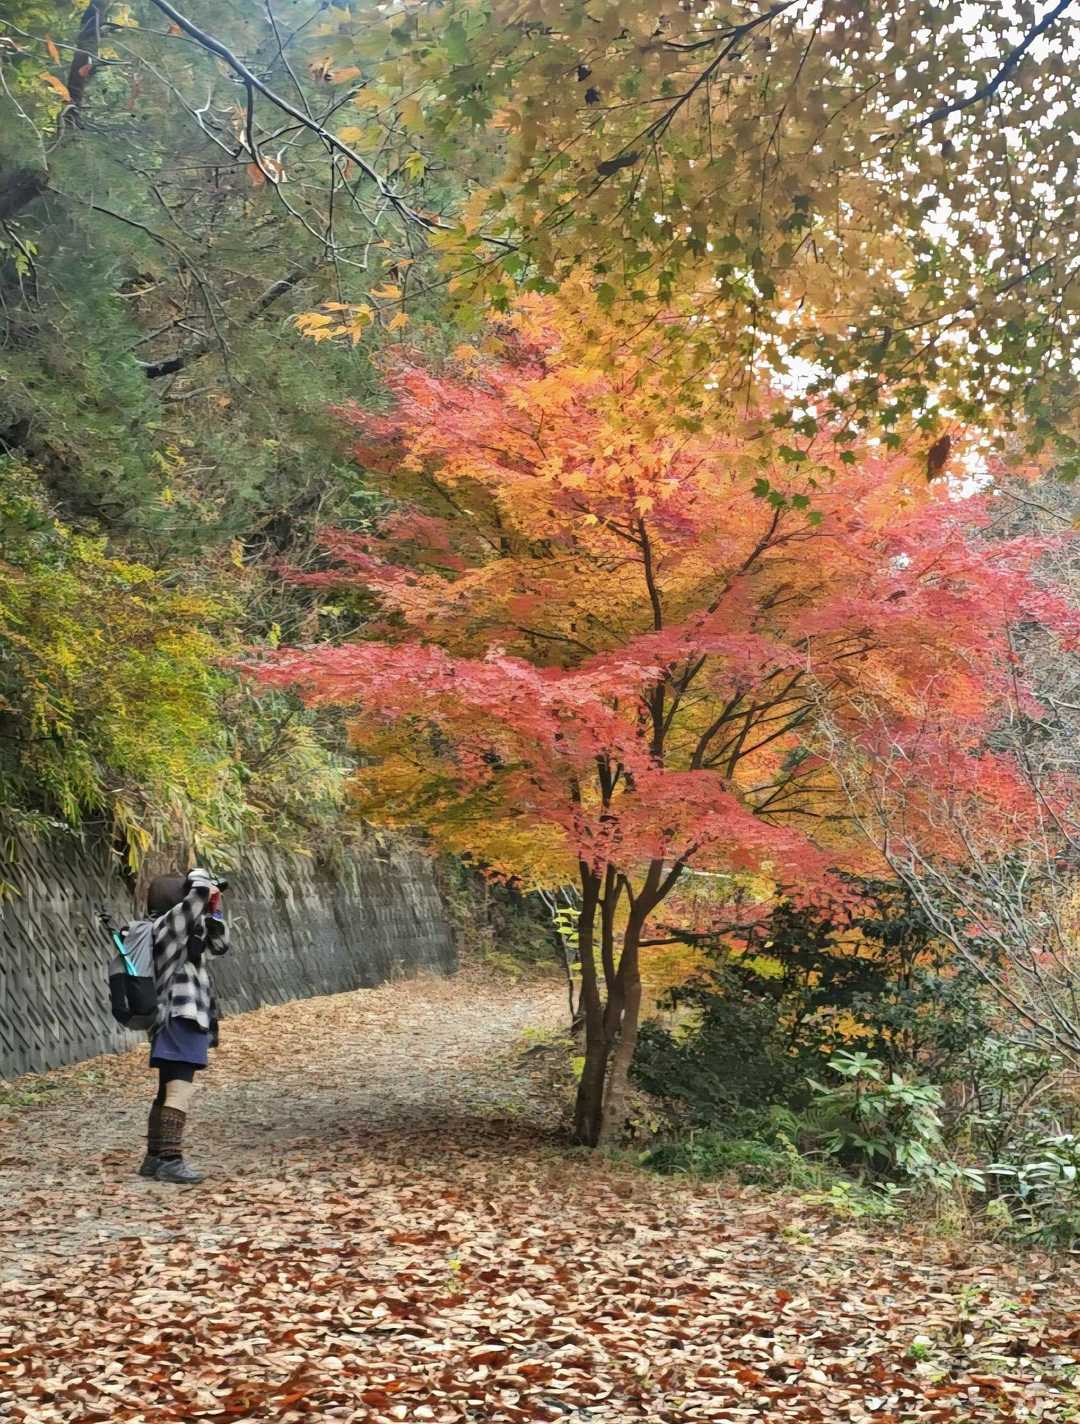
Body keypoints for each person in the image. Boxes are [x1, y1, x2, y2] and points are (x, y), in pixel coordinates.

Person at [139, 867, 229, 1184]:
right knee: (179, 1088)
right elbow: (196, 898)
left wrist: (214, 912)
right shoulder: (167, 925)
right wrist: (200, 877)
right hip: (181, 1015)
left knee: (167, 1087)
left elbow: (220, 945)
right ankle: (171, 1160)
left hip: (179, 1017)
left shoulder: (180, 929)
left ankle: (154, 1158)